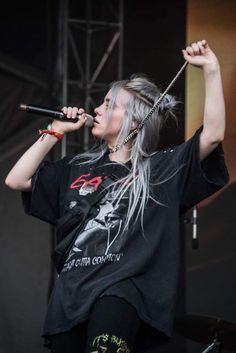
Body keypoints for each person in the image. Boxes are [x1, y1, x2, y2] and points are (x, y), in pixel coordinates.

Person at [5, 40, 229, 353]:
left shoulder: (162, 167)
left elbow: (214, 135)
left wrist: (211, 69)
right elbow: (17, 180)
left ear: (135, 121)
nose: (97, 109)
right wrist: (55, 130)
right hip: (70, 295)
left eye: (109, 104)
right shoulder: (77, 167)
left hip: (122, 291)